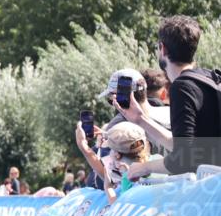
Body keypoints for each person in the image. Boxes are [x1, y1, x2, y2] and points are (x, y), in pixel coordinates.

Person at [121, 16, 221, 180]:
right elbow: (188, 149)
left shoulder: (183, 87)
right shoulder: (212, 78)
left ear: (163, 49)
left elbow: (183, 160)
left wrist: (142, 168)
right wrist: (140, 120)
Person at [75, 120, 148, 204]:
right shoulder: (150, 167)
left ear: (117, 155)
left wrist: (108, 188)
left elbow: (118, 209)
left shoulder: (126, 178)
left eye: (109, 149)